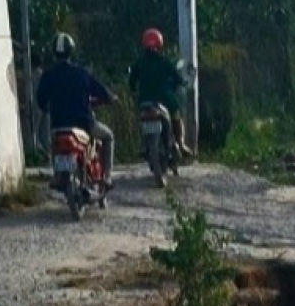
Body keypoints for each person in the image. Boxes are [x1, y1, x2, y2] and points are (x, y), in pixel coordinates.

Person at [35, 32, 117, 187]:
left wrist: (47, 107)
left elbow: (41, 101)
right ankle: (107, 176)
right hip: (84, 123)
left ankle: (57, 175)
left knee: (55, 148)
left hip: (58, 126)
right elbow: (100, 90)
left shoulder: (48, 76)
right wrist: (111, 98)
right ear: (71, 51)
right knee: (108, 136)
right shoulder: (81, 73)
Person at [128, 28, 191, 158]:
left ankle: (145, 144)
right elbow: (177, 77)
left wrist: (134, 91)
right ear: (160, 43)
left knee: (140, 119)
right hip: (164, 98)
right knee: (176, 114)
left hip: (144, 99)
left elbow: (132, 82)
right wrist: (183, 81)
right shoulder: (164, 61)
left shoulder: (139, 63)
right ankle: (180, 142)